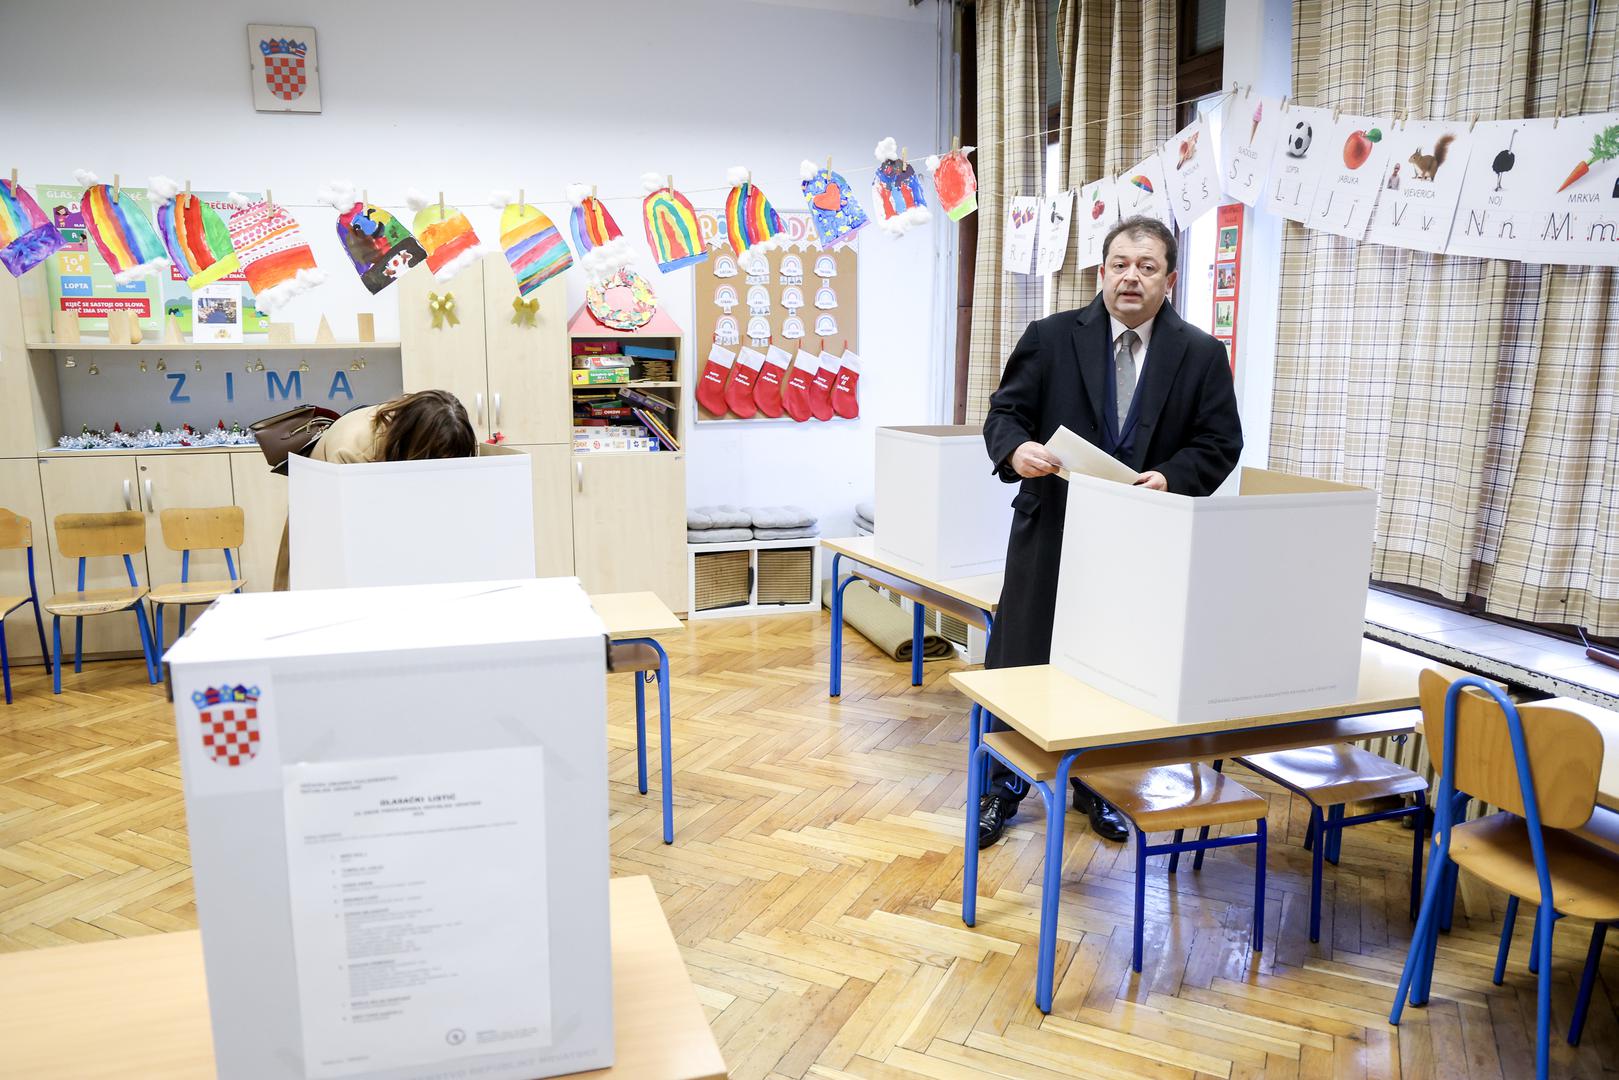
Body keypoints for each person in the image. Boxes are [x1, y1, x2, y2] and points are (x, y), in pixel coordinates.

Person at [977, 215, 1243, 846]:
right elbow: (1005, 413)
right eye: (1120, 264)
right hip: (1052, 530)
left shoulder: (1201, 354)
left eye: (1147, 267)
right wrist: (1017, 452)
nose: (1132, 277)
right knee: (1022, 659)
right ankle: (1001, 788)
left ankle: (1098, 786)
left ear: (1170, 280)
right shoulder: (1049, 337)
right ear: (1102, 272)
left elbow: (1220, 441)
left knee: (1113, 672)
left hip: (1140, 542)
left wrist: (1171, 478)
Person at [271, 389, 478, 590]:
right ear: (417, 447)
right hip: (326, 532)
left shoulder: (415, 423)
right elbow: (363, 541)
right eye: (437, 462)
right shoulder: (351, 454)